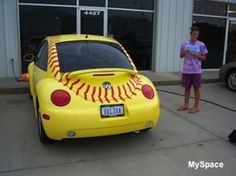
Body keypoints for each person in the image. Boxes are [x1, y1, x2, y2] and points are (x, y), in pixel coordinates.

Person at [177, 26, 208, 113]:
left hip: (196, 71)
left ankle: (196, 107)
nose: (195, 36)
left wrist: (196, 54)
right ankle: (185, 105)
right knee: (187, 88)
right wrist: (185, 51)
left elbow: (204, 58)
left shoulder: (201, 45)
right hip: (186, 70)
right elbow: (181, 56)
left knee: (196, 88)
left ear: (198, 35)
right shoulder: (185, 44)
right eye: (193, 34)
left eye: (197, 34)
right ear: (190, 34)